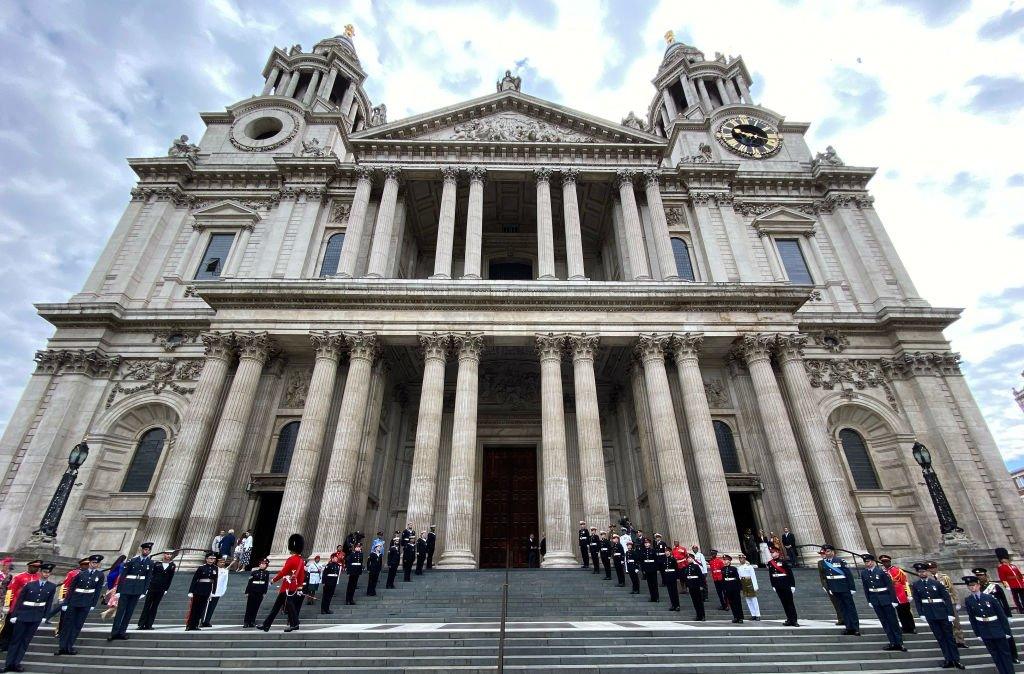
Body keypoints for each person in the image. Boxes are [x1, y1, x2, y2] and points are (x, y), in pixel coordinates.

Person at [5, 561, 56, 673]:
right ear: (40, 572)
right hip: (23, 614)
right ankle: (8, 664)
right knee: (16, 640)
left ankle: (16, 663)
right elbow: (18, 599)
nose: (46, 574)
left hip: (36, 615)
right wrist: (13, 613)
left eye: (48, 573)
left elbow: (49, 602)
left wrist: (45, 616)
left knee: (25, 641)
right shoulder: (28, 583)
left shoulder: (51, 587)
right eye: (44, 572)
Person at [912, 561, 963, 669]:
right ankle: (948, 659)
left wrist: (950, 613)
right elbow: (917, 601)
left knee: (949, 637)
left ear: (927, 572)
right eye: (919, 572)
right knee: (940, 638)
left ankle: (956, 659)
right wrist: (921, 613)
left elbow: (947, 598)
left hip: (942, 612)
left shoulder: (936, 583)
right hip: (930, 614)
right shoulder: (916, 585)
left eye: (923, 571)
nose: (921, 573)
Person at [963, 574, 1015, 674]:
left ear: (978, 585)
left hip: (997, 629)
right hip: (984, 630)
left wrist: (1006, 631)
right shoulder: (969, 600)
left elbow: (1001, 615)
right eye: (970, 586)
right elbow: (972, 618)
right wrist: (977, 633)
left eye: (974, 585)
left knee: (1005, 654)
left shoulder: (989, 598)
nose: (972, 587)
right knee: (995, 655)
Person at [56, 555, 104, 656]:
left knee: (77, 625)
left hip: (86, 602)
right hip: (74, 601)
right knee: (67, 624)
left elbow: (98, 590)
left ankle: (69, 646)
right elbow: (72, 588)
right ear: (89, 563)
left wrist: (93, 604)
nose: (95, 565)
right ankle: (62, 647)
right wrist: (66, 602)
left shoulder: (100, 575)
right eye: (93, 563)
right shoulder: (80, 574)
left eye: (96, 563)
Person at [260, 533, 305, 632]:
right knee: (277, 606)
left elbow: (283, 572)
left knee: (289, 604)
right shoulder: (301, 561)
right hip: (293, 586)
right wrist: (300, 587)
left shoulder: (291, 559)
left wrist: (273, 580)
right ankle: (266, 625)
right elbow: (302, 575)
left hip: (288, 586)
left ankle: (295, 623)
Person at [975, 567, 1021, 663]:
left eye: (981, 575)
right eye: (977, 576)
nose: (979, 577)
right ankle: (1002, 656)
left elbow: (1004, 601)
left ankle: (1013, 655)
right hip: (988, 617)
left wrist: (1008, 615)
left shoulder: (994, 586)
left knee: (1007, 636)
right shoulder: (977, 589)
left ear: (985, 575)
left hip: (999, 615)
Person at [109, 541, 153, 641]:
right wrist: (119, 590)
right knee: (120, 611)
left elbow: (148, 578)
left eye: (148, 550)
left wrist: (144, 591)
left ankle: (122, 632)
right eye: (145, 549)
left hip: (137, 589)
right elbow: (123, 575)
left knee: (129, 612)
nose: (146, 551)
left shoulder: (150, 563)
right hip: (126, 588)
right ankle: (114, 632)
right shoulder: (132, 560)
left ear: (150, 551)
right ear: (142, 550)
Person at [860, 554, 905, 652]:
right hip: (875, 599)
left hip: (886, 598)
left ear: (872, 561)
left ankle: (899, 642)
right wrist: (869, 600)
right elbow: (866, 588)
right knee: (884, 622)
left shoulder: (882, 571)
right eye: (865, 562)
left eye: (868, 561)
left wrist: (894, 600)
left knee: (893, 621)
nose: (867, 563)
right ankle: (892, 642)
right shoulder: (864, 573)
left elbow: (890, 586)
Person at [0, 560, 40, 651]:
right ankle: (3, 644)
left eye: (37, 567)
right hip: (16, 605)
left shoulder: (39, 578)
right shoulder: (19, 577)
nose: (36, 569)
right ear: (29, 566)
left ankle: (15, 644)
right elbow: (11, 591)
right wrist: (7, 605)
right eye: (34, 567)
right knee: (9, 626)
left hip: (29, 607)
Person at [819, 545, 859, 635]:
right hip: (834, 588)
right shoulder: (824, 563)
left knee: (850, 608)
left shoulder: (840, 561)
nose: (827, 553)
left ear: (833, 552)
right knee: (842, 609)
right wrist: (829, 588)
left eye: (828, 551)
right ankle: (849, 627)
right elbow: (827, 577)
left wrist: (852, 588)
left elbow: (848, 575)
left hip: (844, 587)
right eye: (826, 551)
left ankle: (856, 628)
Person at [928, 560, 967, 648]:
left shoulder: (945, 577)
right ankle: (950, 641)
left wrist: (957, 602)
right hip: (938, 604)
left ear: (936, 568)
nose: (932, 570)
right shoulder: (928, 579)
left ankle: (960, 641)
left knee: (956, 622)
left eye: (933, 568)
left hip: (949, 601)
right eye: (930, 569)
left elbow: (952, 589)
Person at [137, 550, 175, 630]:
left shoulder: (172, 565)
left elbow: (170, 578)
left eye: (170, 554)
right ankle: (141, 623)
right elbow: (151, 575)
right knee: (147, 605)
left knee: (154, 606)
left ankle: (149, 624)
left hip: (161, 588)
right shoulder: (156, 563)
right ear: (164, 554)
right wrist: (147, 587)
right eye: (167, 554)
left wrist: (166, 589)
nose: (168, 556)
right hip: (152, 586)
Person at [879, 554, 916, 634]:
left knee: (906, 612)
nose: (885, 564)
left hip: (901, 594)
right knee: (899, 613)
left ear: (890, 562)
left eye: (886, 562)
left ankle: (912, 627)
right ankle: (905, 627)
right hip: (892, 595)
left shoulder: (897, 570)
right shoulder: (882, 572)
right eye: (883, 562)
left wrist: (908, 594)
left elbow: (904, 582)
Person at [185, 551, 218, 631]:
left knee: (201, 609)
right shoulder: (201, 567)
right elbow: (195, 579)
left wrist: (213, 592)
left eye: (213, 559)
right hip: (198, 589)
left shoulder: (215, 568)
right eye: (210, 558)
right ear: (206, 559)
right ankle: (189, 625)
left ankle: (196, 625)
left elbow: (215, 580)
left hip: (207, 590)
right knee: (194, 608)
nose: (212, 560)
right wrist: (191, 591)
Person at [767, 547, 799, 627]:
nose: (772, 554)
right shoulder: (770, 563)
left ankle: (794, 620)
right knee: (784, 603)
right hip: (778, 585)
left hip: (786, 584)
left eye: (773, 552)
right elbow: (771, 575)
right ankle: (789, 619)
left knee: (790, 603)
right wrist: (773, 585)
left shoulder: (784, 561)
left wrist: (792, 585)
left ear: (778, 552)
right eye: (771, 552)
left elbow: (790, 574)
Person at [817, 548, 845, 627]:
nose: (822, 555)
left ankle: (847, 618)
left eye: (823, 553)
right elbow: (821, 576)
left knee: (844, 603)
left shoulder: (836, 561)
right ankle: (840, 618)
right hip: (829, 585)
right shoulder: (820, 563)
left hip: (839, 584)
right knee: (835, 602)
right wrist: (824, 585)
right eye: (821, 554)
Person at [242, 559, 270, 628]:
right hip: (252, 591)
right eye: (261, 564)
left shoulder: (266, 573)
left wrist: (264, 592)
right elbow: (250, 582)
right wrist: (247, 592)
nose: (262, 565)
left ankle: (252, 621)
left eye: (264, 564)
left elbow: (266, 583)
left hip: (260, 592)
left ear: (266, 565)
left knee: (256, 607)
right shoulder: (254, 572)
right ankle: (246, 622)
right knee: (249, 607)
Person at [202, 557, 229, 627]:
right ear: (217, 562)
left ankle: (207, 621)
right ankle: (202, 620)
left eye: (223, 562)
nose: (222, 563)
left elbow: (225, 582)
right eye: (220, 562)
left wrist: (223, 591)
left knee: (212, 607)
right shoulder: (213, 569)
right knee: (205, 606)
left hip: (218, 591)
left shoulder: (225, 571)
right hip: (209, 589)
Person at [996, 549, 1024, 614]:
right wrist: (1006, 585)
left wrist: (1022, 581)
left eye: (1005, 558)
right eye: (1003, 558)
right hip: (1012, 584)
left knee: (1023, 597)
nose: (1004, 560)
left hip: (1020, 584)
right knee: (1016, 598)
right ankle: (1020, 609)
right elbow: (1002, 577)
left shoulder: (1013, 566)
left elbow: (1019, 574)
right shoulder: (1001, 567)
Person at [682, 553, 706, 621]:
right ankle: (698, 615)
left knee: (699, 601)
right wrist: (687, 586)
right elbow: (686, 578)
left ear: (693, 559)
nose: (688, 559)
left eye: (690, 558)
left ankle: (702, 615)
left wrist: (701, 585)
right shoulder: (686, 568)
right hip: (691, 586)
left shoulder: (696, 566)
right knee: (695, 602)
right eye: (688, 558)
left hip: (696, 586)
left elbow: (701, 577)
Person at [721, 555, 744, 623]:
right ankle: (735, 617)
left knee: (737, 603)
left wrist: (740, 588)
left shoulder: (733, 568)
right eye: (724, 560)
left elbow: (737, 578)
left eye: (726, 560)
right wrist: (723, 588)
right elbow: (723, 579)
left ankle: (740, 617)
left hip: (734, 587)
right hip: (727, 587)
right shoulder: (723, 569)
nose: (724, 561)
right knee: (731, 603)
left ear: (729, 561)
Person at [737, 553, 760, 620]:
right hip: (743, 583)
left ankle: (757, 614)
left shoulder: (749, 567)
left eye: (742, 558)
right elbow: (739, 577)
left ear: (745, 559)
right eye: (740, 559)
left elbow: (753, 576)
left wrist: (755, 585)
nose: (741, 560)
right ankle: (753, 614)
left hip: (749, 582)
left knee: (754, 599)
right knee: (748, 600)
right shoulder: (739, 568)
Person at [662, 546, 681, 612]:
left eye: (667, 551)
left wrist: (677, 577)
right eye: (665, 551)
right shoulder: (664, 559)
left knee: (674, 591)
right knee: (670, 592)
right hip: (667, 576)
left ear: (670, 552)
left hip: (673, 576)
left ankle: (677, 605)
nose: (666, 552)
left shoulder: (673, 559)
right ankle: (673, 605)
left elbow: (676, 569)